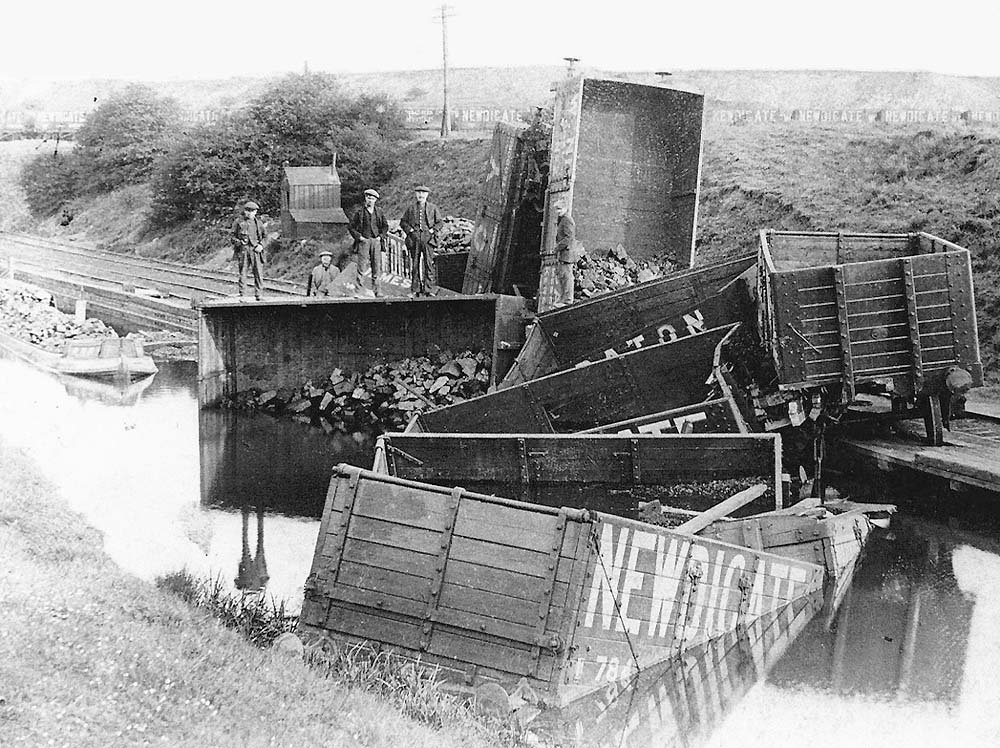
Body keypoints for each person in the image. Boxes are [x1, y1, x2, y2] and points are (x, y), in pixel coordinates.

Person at [399, 185, 444, 297]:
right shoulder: (410, 208)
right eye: (419, 192)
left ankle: (429, 289)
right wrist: (410, 230)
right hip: (414, 238)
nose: (421, 195)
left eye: (423, 193)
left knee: (429, 264)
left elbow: (440, 222)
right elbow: (403, 222)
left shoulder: (432, 208)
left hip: (428, 238)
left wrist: (433, 230)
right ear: (416, 194)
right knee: (415, 264)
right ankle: (415, 289)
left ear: (427, 195)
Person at [347, 188, 389, 296]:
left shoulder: (379, 212)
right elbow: (351, 227)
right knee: (361, 267)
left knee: (376, 267)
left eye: (372, 198)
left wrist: (380, 237)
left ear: (375, 200)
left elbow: (385, 226)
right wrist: (359, 237)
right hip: (364, 241)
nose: (370, 200)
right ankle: (358, 291)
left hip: (376, 242)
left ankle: (377, 291)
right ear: (365, 198)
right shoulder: (359, 212)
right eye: (368, 198)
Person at [231, 200, 266, 300]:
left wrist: (261, 245)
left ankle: (259, 294)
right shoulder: (238, 222)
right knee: (243, 273)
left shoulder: (258, 223)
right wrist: (239, 243)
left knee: (258, 273)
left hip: (256, 251)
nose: (250, 213)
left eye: (253, 211)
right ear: (245, 211)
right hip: (244, 250)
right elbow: (232, 237)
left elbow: (265, 237)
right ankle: (243, 295)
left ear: (256, 212)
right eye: (248, 211)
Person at [554, 199, 577, 306]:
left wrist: (558, 248)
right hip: (564, 252)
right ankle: (563, 298)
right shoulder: (562, 219)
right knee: (563, 276)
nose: (558, 211)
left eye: (559, 209)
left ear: (565, 208)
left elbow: (569, 237)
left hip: (567, 253)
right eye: (557, 209)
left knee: (567, 276)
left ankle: (567, 300)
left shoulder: (567, 220)